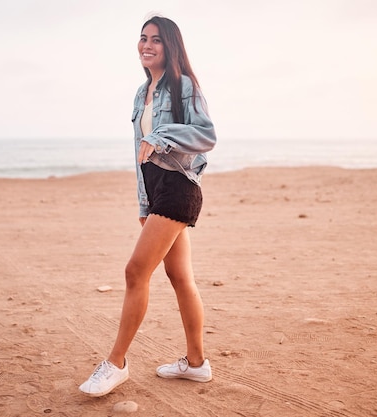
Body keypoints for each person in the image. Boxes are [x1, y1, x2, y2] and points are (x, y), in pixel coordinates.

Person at [78, 15, 217, 397]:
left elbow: (206, 135)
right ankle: (196, 364)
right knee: (180, 278)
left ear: (170, 45)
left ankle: (116, 363)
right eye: (142, 39)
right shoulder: (142, 94)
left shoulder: (183, 86)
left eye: (155, 39)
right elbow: (138, 152)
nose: (146, 45)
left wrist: (161, 135)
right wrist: (144, 200)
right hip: (157, 191)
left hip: (178, 187)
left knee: (135, 271)